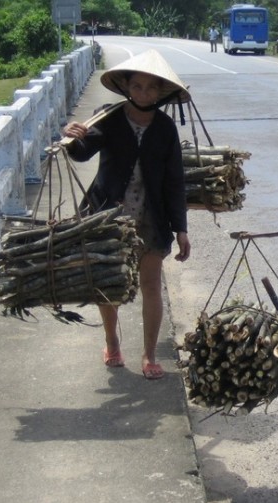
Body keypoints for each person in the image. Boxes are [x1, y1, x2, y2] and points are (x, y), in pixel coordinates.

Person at [62, 49, 191, 380]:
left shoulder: (165, 129)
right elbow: (81, 152)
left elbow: (175, 181)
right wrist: (73, 138)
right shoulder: (107, 118)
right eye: (137, 87)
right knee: (111, 285)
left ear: (160, 92)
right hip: (109, 216)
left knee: (150, 285)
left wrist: (181, 229)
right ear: (126, 87)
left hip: (151, 218)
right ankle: (112, 342)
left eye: (150, 88)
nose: (143, 94)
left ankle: (149, 355)